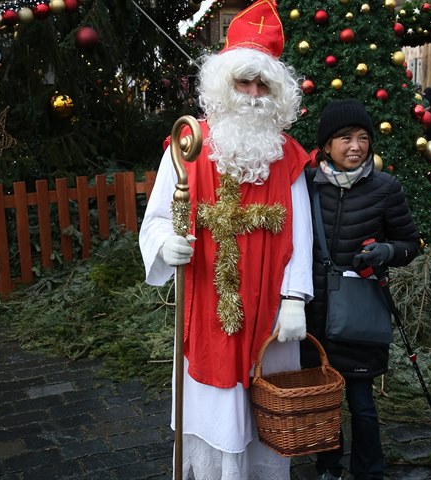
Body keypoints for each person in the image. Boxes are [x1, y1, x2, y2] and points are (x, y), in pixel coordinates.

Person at [139, 0, 313, 478]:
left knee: (267, 407)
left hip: (270, 313)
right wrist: (162, 246)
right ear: (223, 83)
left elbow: (302, 232)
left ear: (277, 92)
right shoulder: (186, 145)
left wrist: (295, 297)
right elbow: (155, 220)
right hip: (207, 302)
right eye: (244, 82)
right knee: (216, 410)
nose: (253, 93)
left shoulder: (289, 157)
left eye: (263, 85)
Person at [302, 99, 420, 480]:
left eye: (363, 138)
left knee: (361, 399)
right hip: (313, 309)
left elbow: (410, 243)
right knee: (322, 398)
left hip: (357, 310)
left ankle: (369, 470)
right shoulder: (305, 186)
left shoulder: (385, 188)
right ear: (326, 144)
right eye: (345, 138)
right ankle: (327, 466)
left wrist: (387, 251)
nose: (356, 146)